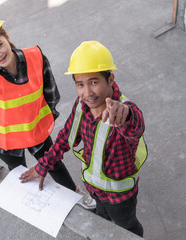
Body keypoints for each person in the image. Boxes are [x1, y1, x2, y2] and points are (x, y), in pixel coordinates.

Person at [0, 12, 95, 209]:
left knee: (54, 164)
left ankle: (73, 193)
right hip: (5, 139)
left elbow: (51, 93)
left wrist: (47, 118)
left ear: (6, 37)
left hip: (35, 130)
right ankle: (34, 205)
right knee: (20, 173)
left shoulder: (35, 58)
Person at [20, 41, 147, 237]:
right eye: (80, 84)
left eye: (94, 82)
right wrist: (42, 166)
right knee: (101, 219)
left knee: (127, 228)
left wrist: (126, 115)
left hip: (120, 197)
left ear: (110, 79)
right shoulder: (82, 105)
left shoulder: (123, 111)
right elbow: (64, 138)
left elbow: (135, 126)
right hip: (94, 190)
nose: (87, 92)